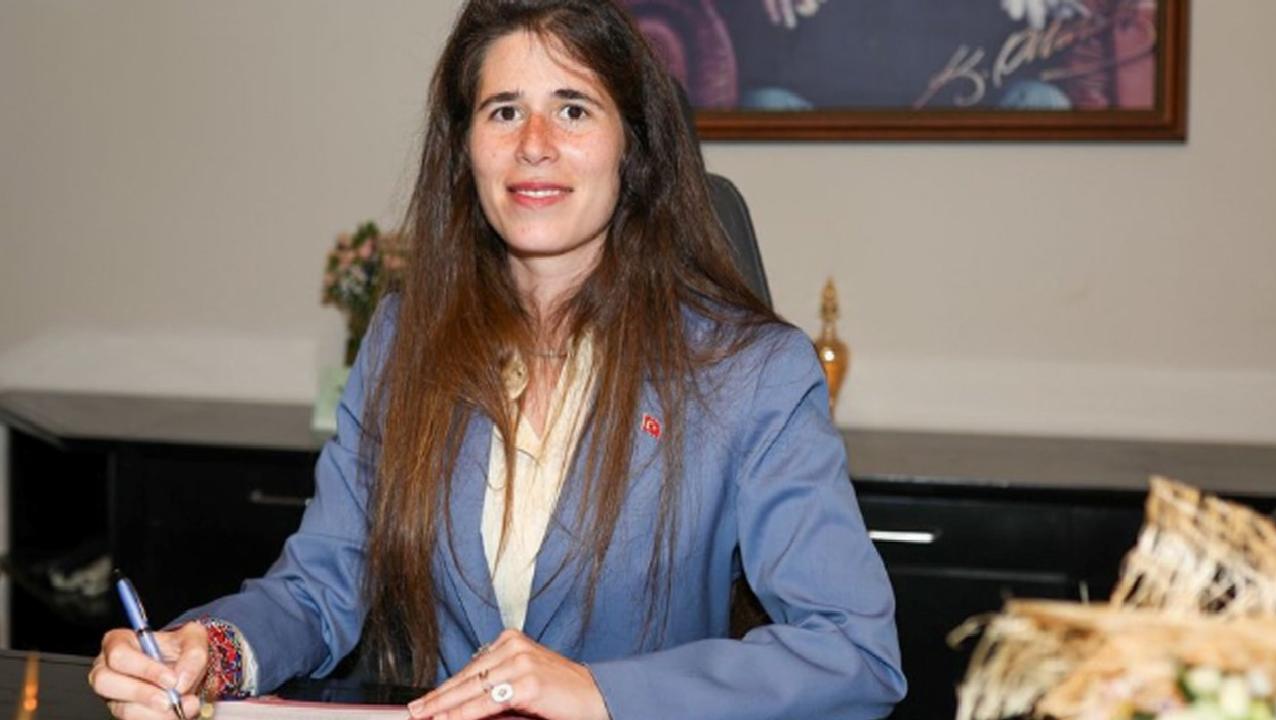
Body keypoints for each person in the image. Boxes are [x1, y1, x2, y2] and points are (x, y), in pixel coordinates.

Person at [88, 1, 906, 718]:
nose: (534, 145)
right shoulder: (406, 340)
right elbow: (323, 584)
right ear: (466, 148)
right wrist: (207, 653)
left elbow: (854, 652)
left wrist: (601, 694)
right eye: (504, 111)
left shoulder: (751, 371)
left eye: (574, 109)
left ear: (633, 148)